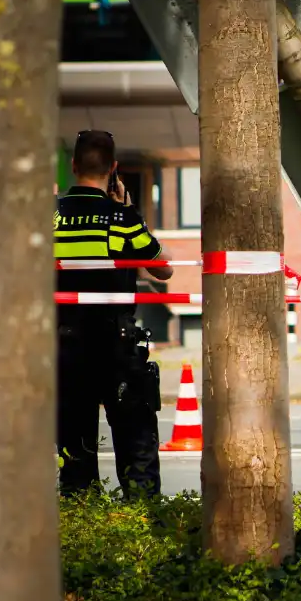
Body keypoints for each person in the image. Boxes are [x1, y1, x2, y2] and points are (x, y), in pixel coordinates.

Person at [55, 130, 174, 499]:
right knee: (135, 440)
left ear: (74, 166)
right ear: (114, 170)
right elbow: (164, 270)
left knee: (74, 450)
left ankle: (82, 522)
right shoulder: (120, 218)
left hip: (65, 346)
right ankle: (141, 521)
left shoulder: (50, 217)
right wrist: (129, 210)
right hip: (115, 345)